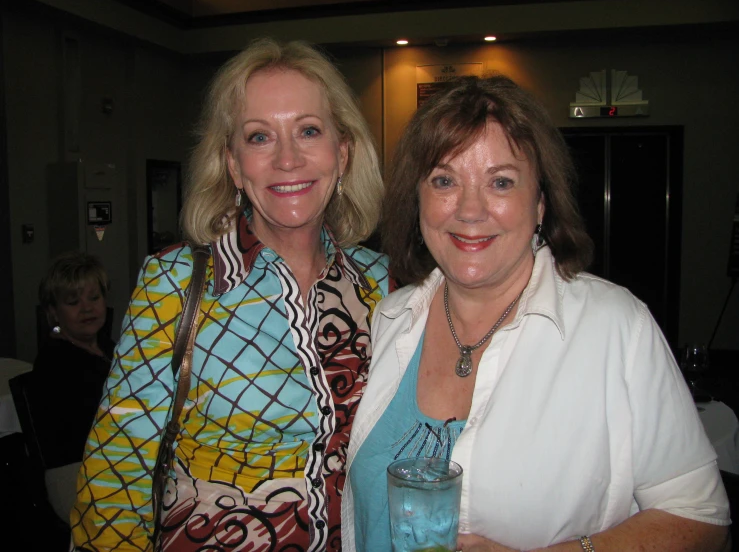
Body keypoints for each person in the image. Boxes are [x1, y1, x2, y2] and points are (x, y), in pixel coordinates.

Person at [344, 75, 730, 552]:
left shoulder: (616, 327)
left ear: (540, 203)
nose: (470, 209)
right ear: (417, 200)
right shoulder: (390, 318)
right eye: (445, 180)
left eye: (501, 182)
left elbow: (702, 520)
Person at [71, 39, 392, 551]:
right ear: (234, 166)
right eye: (260, 137)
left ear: (343, 151)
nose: (288, 158)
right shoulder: (174, 282)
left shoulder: (382, 284)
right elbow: (117, 469)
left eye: (308, 131)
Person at [34, 250, 113, 467]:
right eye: (73, 302)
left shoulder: (108, 345)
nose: (87, 308)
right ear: (53, 312)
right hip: (78, 467)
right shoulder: (56, 362)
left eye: (94, 298)